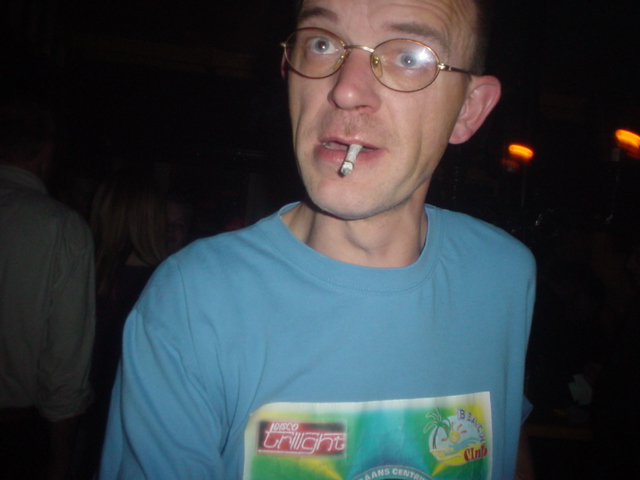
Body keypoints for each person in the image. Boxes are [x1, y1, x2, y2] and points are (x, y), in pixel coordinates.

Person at [100, 1, 536, 479]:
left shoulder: (503, 275)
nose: (345, 89)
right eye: (323, 43)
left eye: (409, 57)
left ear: (469, 110)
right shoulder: (193, 302)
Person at [0, 104, 95, 480]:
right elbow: (64, 365)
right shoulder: (62, 228)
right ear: (46, 153)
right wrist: (60, 457)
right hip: (13, 436)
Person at [78, 170, 168, 478]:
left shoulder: (85, 276)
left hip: (87, 420)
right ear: (152, 219)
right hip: (121, 428)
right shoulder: (167, 286)